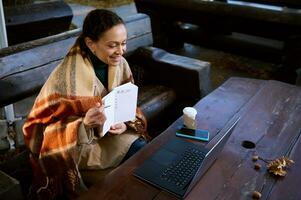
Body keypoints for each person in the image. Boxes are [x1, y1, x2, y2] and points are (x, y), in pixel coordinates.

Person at [23, 9, 149, 199]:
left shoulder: (120, 62)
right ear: (91, 43)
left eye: (123, 43)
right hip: (77, 147)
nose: (121, 51)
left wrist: (124, 122)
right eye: (112, 45)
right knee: (128, 181)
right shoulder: (66, 77)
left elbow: (127, 102)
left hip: (108, 135)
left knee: (143, 152)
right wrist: (83, 125)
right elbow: (42, 130)